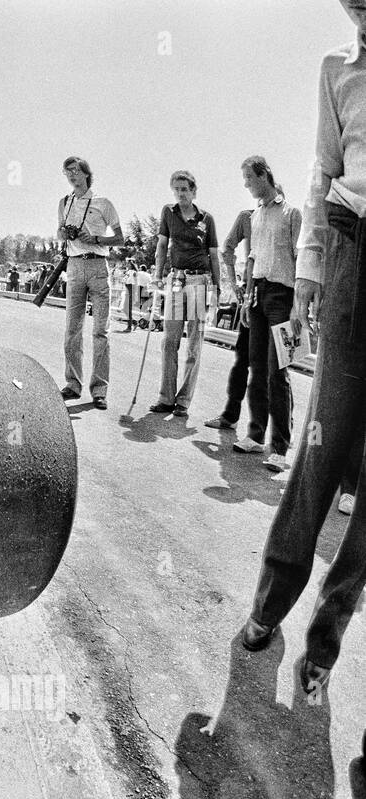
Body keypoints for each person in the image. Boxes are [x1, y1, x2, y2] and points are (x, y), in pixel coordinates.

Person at [234, 0, 366, 707]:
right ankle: (272, 597)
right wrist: (311, 264)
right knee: (324, 438)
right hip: (351, 241)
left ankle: (327, 635)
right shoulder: (336, 71)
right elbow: (322, 170)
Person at [231, 156, 299, 473]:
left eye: (248, 177)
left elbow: (301, 262)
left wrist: (300, 306)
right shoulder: (254, 216)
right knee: (257, 367)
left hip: (283, 298)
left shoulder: (291, 213)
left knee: (278, 371)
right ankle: (256, 435)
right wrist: (246, 298)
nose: (245, 184)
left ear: (263, 175)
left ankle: (281, 448)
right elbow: (252, 260)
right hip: (257, 296)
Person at [148, 171, 221, 418]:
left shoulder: (206, 219)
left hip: (199, 281)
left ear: (193, 191)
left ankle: (184, 400)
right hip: (177, 279)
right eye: (176, 189)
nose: (180, 193)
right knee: (170, 341)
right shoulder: (169, 212)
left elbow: (213, 255)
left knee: (193, 344)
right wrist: (157, 274)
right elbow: (161, 245)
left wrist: (217, 287)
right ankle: (166, 397)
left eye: (184, 189)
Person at [56, 157, 123, 409]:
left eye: (75, 170)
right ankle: (73, 384)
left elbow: (119, 239)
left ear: (86, 173)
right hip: (74, 265)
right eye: (67, 171)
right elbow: (59, 233)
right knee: (72, 328)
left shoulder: (103, 203)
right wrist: (64, 234)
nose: (71, 175)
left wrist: (95, 238)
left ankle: (99, 390)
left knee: (100, 331)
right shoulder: (64, 202)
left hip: (98, 266)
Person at [205, 209, 255, 432]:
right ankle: (230, 415)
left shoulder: (287, 215)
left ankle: (284, 426)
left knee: (272, 366)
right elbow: (227, 249)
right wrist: (235, 285)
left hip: (272, 295)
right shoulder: (248, 217)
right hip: (251, 295)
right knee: (243, 360)